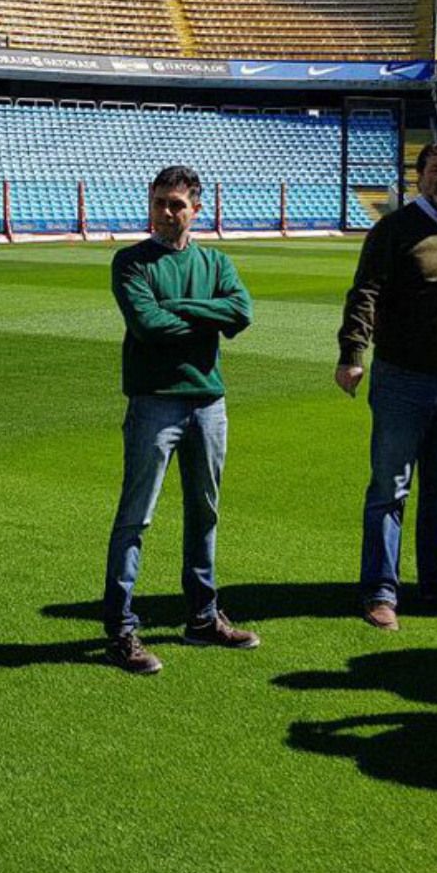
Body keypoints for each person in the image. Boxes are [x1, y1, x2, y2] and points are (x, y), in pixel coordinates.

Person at [102, 165, 258, 675]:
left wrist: (182, 307)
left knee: (205, 512)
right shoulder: (131, 262)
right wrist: (206, 317)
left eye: (176, 204)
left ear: (197, 209)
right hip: (155, 402)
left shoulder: (214, 261)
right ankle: (121, 631)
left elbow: (241, 313)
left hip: (209, 403)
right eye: (159, 203)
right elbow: (147, 325)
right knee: (136, 516)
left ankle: (202, 618)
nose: (166, 213)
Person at [336, 140, 437, 629]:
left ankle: (436, 583)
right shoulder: (395, 229)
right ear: (419, 175)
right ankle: (382, 591)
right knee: (390, 490)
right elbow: (365, 291)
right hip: (404, 379)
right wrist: (352, 354)